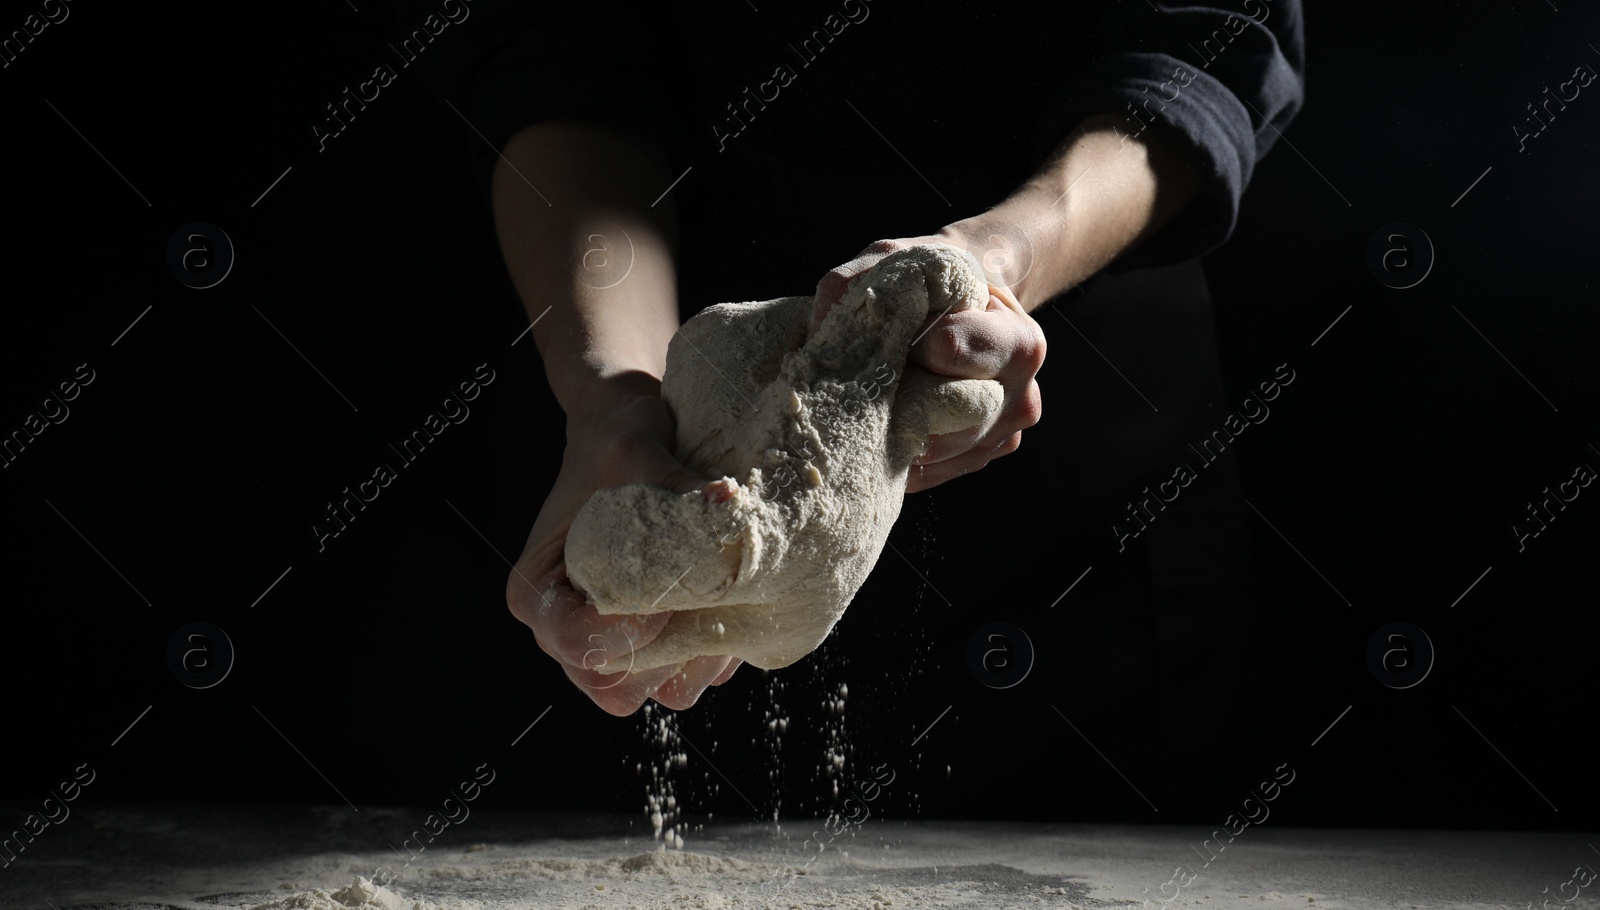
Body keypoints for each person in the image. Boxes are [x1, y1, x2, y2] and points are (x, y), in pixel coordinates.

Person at [399, 0, 1305, 718]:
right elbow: (559, 57)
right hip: (663, 375)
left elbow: (1203, 43)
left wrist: (998, 260)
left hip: (1079, 452)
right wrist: (610, 393)